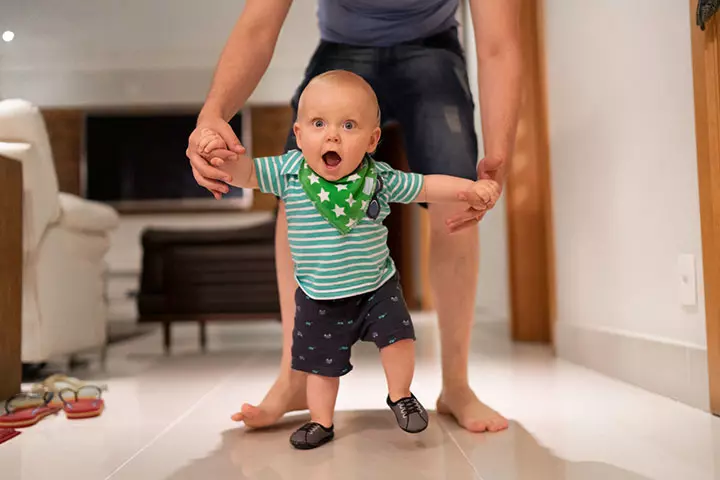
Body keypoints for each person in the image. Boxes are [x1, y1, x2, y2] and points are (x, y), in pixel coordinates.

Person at [186, 0, 521, 433]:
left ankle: (456, 384)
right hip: (343, 47)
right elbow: (257, 27)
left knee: (458, 203)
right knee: (297, 190)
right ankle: (294, 378)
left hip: (432, 49)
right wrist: (213, 115)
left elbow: (498, 45)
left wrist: (499, 156)